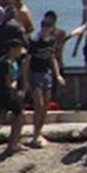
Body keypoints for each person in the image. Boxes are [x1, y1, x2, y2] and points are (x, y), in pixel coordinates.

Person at [25, 11, 67, 147]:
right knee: (39, 105)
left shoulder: (52, 41)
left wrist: (58, 74)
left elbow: (52, 58)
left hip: (46, 73)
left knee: (45, 107)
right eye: (43, 28)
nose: (45, 31)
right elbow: (27, 61)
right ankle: (35, 135)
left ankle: (39, 132)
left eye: (48, 29)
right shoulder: (34, 42)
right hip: (35, 73)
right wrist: (25, 80)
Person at [0, 40, 28, 155]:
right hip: (5, 93)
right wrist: (18, 90)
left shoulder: (10, 61)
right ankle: (13, 143)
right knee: (20, 114)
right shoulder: (6, 63)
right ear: (13, 49)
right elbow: (9, 82)